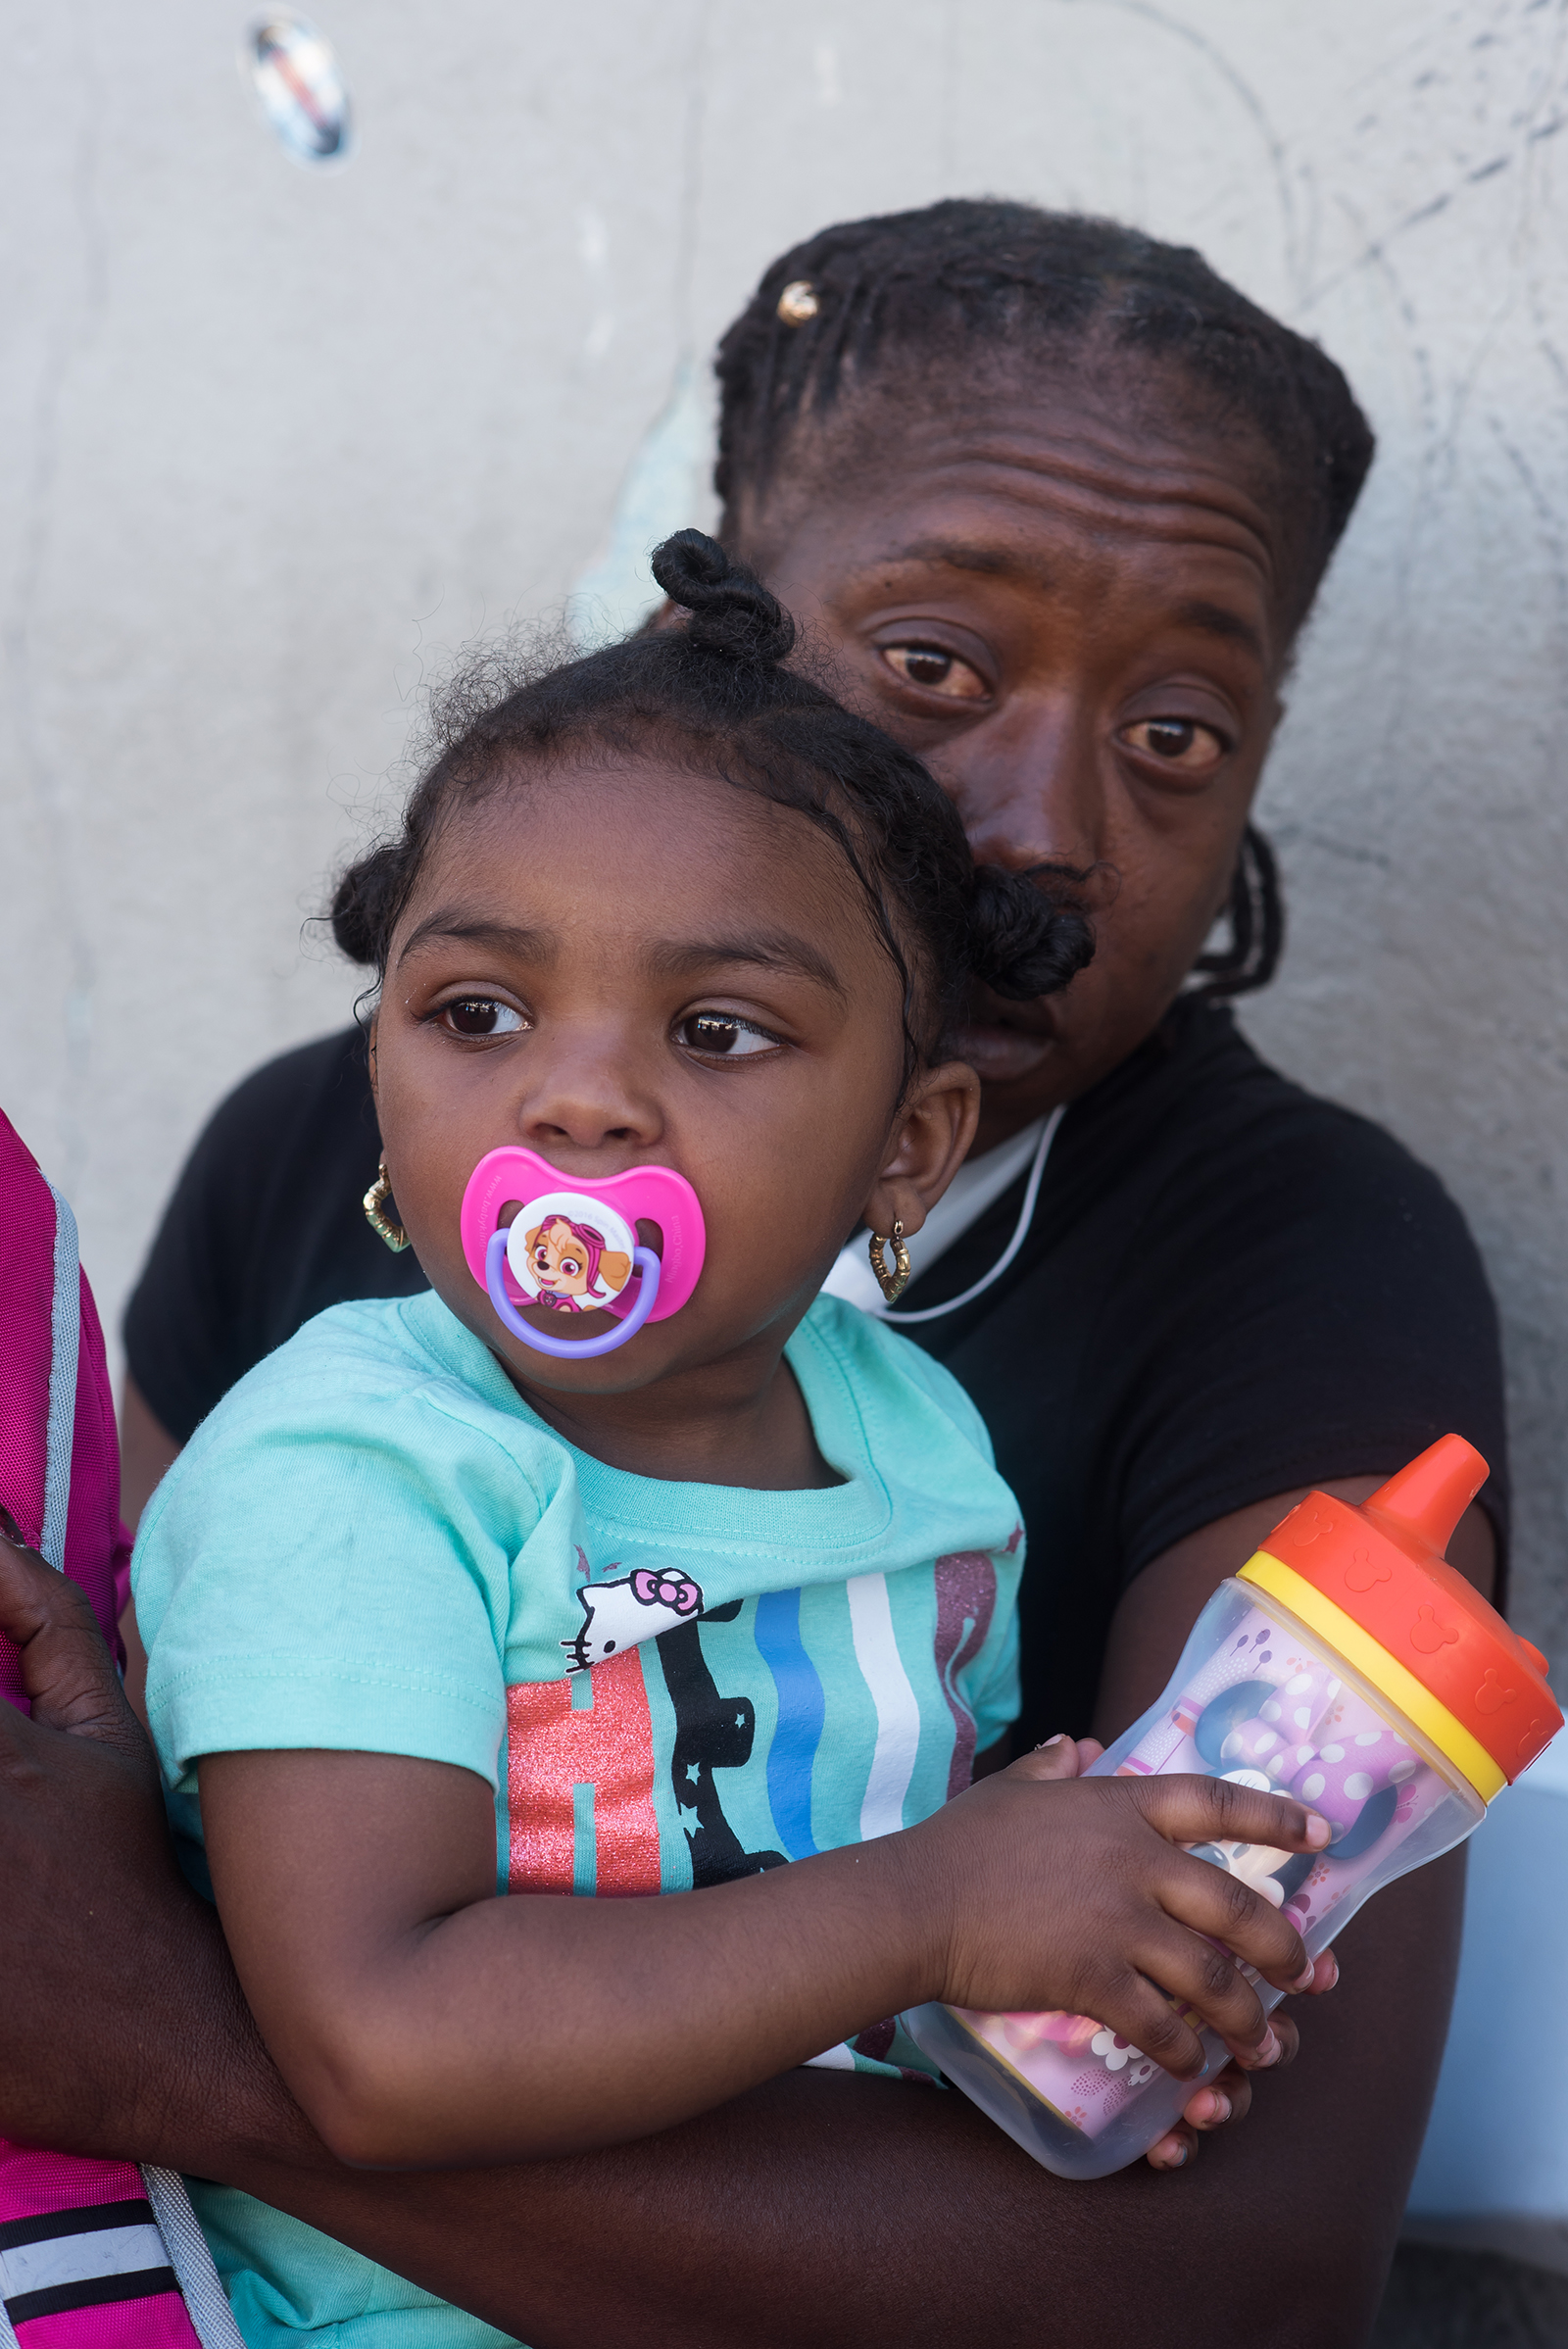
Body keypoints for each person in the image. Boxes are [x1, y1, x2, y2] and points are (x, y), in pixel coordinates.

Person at [2, 203, 1507, 2343]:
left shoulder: (1275, 1268)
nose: (1043, 820)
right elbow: (167, 1818)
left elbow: (1226, 2278)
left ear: (907, 1153)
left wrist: (172, 2043)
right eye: (932, 665)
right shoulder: (333, 1195)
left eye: (1175, 727)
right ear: (708, 627)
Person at [124, 528, 1335, 2345]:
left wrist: (1082, 1944)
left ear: (908, 1147)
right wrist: (936, 1908)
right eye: (477, 1010)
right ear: (378, 1063)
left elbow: (874, 1877)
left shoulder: (917, 1444)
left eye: (715, 1026)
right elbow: (379, 2042)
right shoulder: (353, 1474)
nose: (580, 1092)